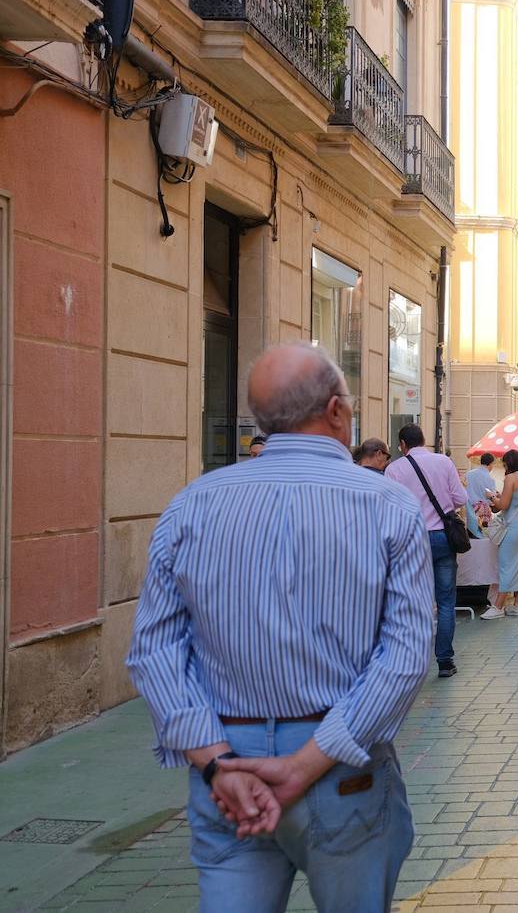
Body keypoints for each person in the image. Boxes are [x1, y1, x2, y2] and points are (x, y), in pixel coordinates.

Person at [126, 342, 430, 912]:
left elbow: (154, 651)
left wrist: (214, 761)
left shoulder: (192, 505)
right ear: (337, 411)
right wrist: (305, 764)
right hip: (341, 768)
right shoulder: (388, 506)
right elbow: (406, 657)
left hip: (228, 768)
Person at [385, 424, 468, 678]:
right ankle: (444, 661)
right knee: (445, 602)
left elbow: (391, 507)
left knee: (414, 602)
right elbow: (460, 499)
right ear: (423, 440)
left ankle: (413, 661)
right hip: (443, 538)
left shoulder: (394, 469)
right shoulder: (443, 462)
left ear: (402, 444)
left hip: (412, 539)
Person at [482, 450, 518, 619]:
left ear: (508, 463)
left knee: (505, 565)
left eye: (504, 463)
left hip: (512, 525)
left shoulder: (510, 478)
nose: (503, 466)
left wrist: (492, 497)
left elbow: (503, 505)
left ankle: (498, 606)